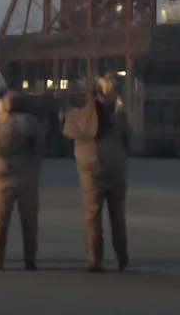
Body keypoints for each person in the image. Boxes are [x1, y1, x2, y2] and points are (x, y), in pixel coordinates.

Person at [62, 75, 131, 272]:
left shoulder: (77, 116)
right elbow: (128, 138)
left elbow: (69, 135)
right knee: (117, 215)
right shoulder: (118, 115)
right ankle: (122, 256)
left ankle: (94, 259)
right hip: (115, 167)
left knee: (92, 215)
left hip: (90, 169)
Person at [0, 91, 44, 270]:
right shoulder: (32, 123)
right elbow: (40, 149)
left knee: (0, 220)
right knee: (29, 221)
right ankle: (30, 259)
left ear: (6, 104)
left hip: (1, 176)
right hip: (27, 176)